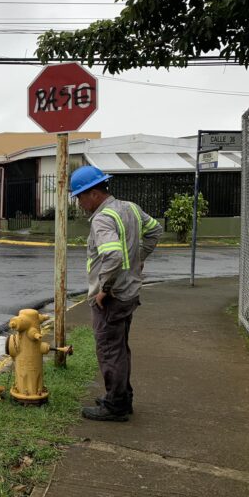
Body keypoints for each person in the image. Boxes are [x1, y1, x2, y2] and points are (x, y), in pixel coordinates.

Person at [70, 166, 163, 421]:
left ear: (94, 194)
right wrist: (139, 258)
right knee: (120, 347)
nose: (79, 203)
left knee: (110, 350)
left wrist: (104, 289)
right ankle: (121, 397)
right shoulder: (130, 207)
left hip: (113, 297)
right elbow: (155, 230)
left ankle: (116, 406)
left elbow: (112, 255)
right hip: (130, 292)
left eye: (80, 196)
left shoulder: (102, 218)